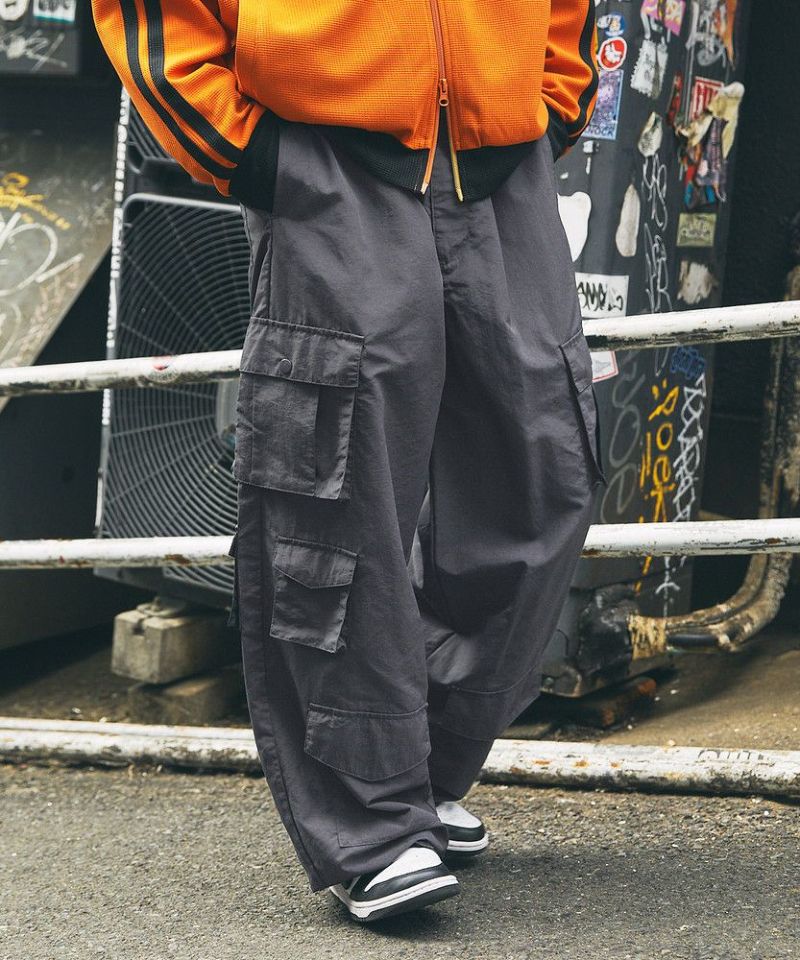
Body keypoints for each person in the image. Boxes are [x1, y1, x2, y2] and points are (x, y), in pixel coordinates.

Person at [92, 0, 606, 924]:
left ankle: (418, 768)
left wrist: (552, 99)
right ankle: (369, 823)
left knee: (544, 474)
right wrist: (253, 153)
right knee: (334, 494)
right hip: (327, 153)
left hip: (502, 156)